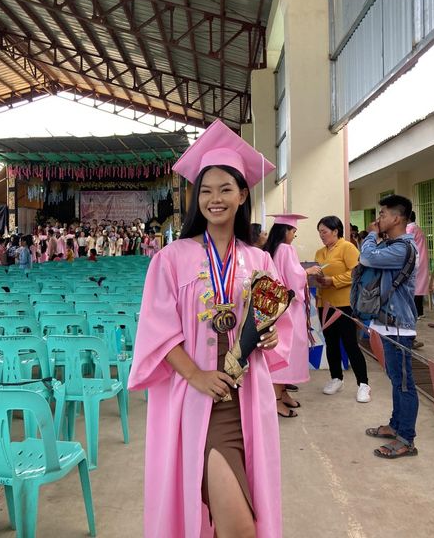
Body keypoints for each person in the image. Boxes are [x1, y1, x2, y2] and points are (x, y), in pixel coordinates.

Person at [128, 120, 293, 538]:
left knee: (236, 517)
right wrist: (196, 375)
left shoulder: (260, 261)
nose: (214, 199)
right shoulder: (171, 259)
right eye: (205, 190)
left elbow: (274, 330)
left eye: (224, 189)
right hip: (197, 398)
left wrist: (269, 336)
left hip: (247, 399)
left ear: (242, 195)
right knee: (238, 525)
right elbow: (158, 333)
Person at [362, 195, 419, 458]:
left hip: (399, 326)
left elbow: (368, 258)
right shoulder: (393, 245)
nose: (378, 219)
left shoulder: (401, 248)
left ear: (397, 218)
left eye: (383, 214)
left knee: (405, 384)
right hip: (388, 324)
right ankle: (396, 426)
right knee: (397, 381)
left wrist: (371, 236)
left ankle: (406, 439)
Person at [264, 214, 318, 418]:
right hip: (289, 307)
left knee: (283, 351)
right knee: (286, 352)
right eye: (294, 231)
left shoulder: (271, 249)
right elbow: (294, 278)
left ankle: (283, 393)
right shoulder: (286, 249)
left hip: (278, 307)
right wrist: (309, 271)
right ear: (286, 231)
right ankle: (277, 400)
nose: (295, 236)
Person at [315, 216, 371, 402]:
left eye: (324, 231)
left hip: (345, 304)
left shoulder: (347, 247)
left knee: (350, 343)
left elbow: (358, 272)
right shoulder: (320, 252)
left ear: (335, 231)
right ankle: (336, 378)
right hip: (326, 304)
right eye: (320, 232)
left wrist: (334, 281)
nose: (321, 235)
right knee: (331, 343)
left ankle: (363, 384)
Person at [406, 211, 429, 319]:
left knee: (413, 286)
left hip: (415, 259)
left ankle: (415, 312)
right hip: (422, 259)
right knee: (419, 285)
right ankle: (420, 311)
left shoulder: (410, 228)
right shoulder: (418, 228)